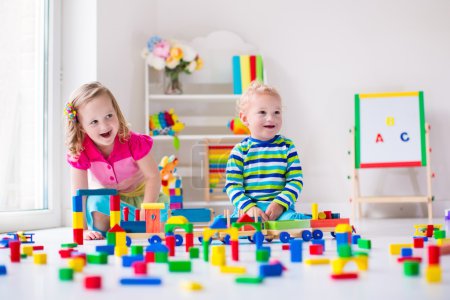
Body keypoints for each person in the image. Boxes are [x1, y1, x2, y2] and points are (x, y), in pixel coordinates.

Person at [65, 82, 166, 240]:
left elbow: (153, 176)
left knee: (158, 220)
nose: (104, 125)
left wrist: (146, 209)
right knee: (96, 203)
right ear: (81, 127)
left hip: (143, 198)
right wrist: (82, 229)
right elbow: (79, 194)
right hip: (112, 202)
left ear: (116, 113)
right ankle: (123, 227)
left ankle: (131, 226)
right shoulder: (80, 150)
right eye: (94, 122)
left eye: (109, 116)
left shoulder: (133, 141)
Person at [225, 81, 307, 222]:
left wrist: (279, 204)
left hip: (281, 210)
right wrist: (249, 208)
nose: (271, 118)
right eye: (262, 112)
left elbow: (296, 180)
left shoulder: (287, 147)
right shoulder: (239, 151)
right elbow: (233, 185)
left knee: (293, 221)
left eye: (276, 112)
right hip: (249, 210)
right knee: (233, 224)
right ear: (245, 119)